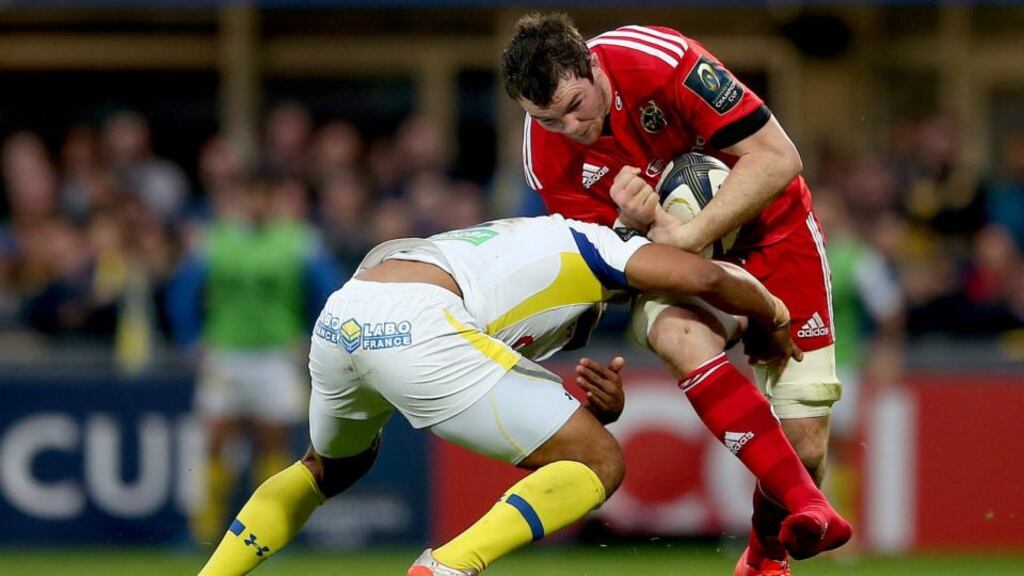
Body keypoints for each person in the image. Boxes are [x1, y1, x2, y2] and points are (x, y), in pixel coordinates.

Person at [195, 214, 849, 576]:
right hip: (424, 320)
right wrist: (768, 312)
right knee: (602, 464)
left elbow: (493, 353)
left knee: (328, 466)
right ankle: (448, 569)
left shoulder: (520, 244)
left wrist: (597, 412)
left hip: (347, 314)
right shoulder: (600, 245)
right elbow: (703, 274)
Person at [502, 13, 842, 575]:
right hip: (679, 261)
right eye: (547, 118)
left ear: (591, 63)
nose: (571, 127)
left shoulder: (657, 59)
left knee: (807, 450)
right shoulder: (546, 157)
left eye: (575, 105)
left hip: (773, 233)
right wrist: (636, 229)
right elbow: (612, 267)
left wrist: (683, 232)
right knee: (679, 334)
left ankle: (761, 558)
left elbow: (779, 159)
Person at [168, 176, 342, 545]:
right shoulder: (214, 240)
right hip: (225, 354)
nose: (256, 204)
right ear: (237, 199)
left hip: (276, 356)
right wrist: (190, 339)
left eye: (263, 196)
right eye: (249, 196)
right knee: (216, 440)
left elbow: (332, 289)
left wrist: (315, 335)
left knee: (273, 444)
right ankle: (203, 531)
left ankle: (270, 530)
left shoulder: (298, 240)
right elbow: (183, 290)